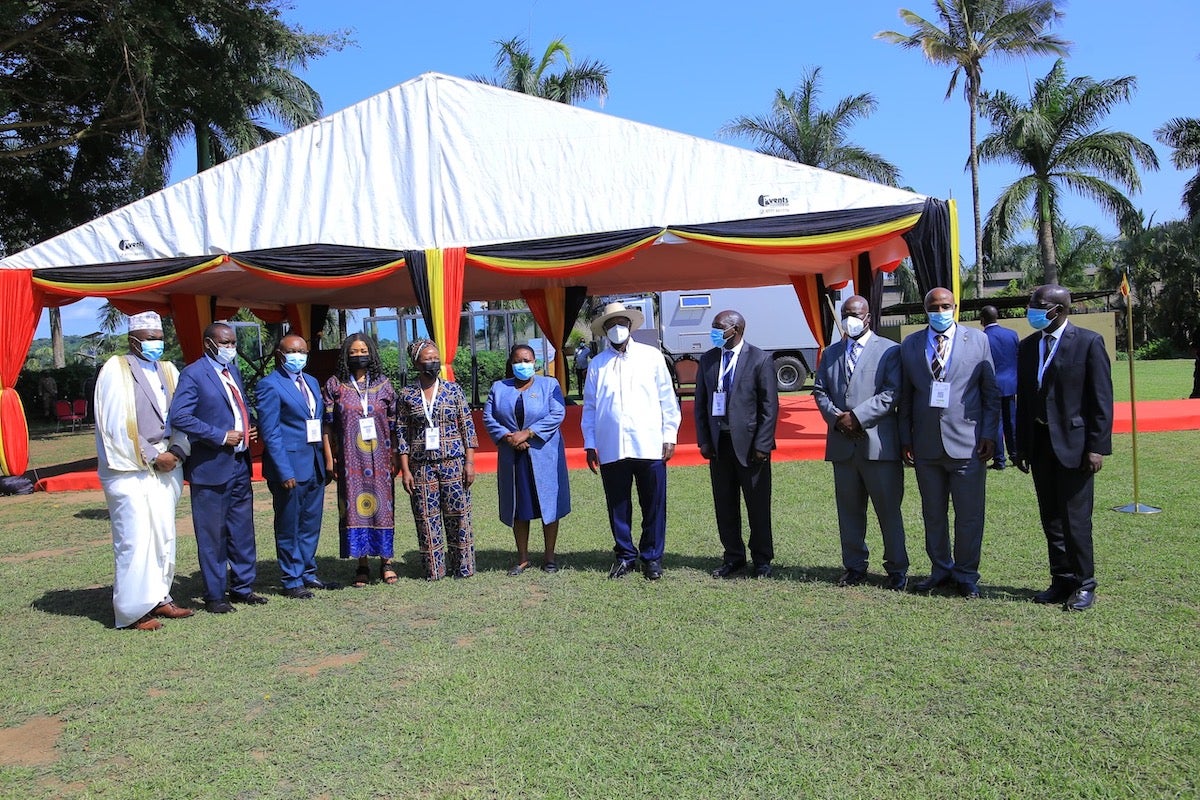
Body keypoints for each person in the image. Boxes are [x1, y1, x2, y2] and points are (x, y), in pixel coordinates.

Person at [1013, 285, 1113, 612]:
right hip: (1040, 444)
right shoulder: (1028, 347)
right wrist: (1021, 445)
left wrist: (1096, 447)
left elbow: (1101, 401)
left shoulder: (1087, 343)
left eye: (1039, 305)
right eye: (1031, 304)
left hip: (1075, 445)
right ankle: (1061, 579)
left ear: (1060, 309)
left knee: (1075, 519)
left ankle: (1084, 584)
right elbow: (1025, 401)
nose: (1032, 310)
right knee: (1051, 518)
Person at [94, 311, 193, 631]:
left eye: (159, 337)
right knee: (134, 539)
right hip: (129, 469)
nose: (156, 343)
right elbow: (114, 424)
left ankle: (159, 597)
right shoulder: (115, 369)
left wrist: (177, 450)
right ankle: (132, 610)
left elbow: (184, 414)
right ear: (132, 340)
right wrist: (153, 456)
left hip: (168, 465)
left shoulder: (168, 369)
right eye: (149, 338)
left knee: (163, 534)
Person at [898, 287, 999, 599]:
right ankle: (940, 569)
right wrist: (906, 439)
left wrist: (989, 434)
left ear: (955, 307)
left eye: (945, 306)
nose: (939, 311)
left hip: (968, 444)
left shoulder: (978, 340)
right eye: (933, 307)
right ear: (925, 310)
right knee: (933, 513)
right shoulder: (911, 344)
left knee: (969, 515)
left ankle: (967, 574)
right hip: (926, 445)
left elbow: (990, 392)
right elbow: (906, 397)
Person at [168, 322, 267, 613]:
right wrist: (220, 435)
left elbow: (238, 407)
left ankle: (242, 587)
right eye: (225, 343)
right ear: (209, 344)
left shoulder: (231, 371)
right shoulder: (194, 374)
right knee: (213, 534)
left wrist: (248, 428)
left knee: (242, 530)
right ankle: (214, 595)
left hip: (239, 463)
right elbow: (180, 416)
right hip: (210, 467)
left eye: (233, 343)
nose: (231, 348)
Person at [813, 295, 908, 590]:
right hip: (843, 446)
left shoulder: (890, 351)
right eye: (845, 314)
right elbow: (819, 390)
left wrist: (857, 416)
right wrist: (838, 418)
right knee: (849, 511)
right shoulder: (830, 353)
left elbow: (892, 392)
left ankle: (897, 568)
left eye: (855, 313)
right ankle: (854, 566)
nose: (850, 318)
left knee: (888, 510)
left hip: (879, 446)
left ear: (868, 317)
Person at [582, 302, 681, 580]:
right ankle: (625, 556)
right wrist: (590, 442)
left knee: (653, 504)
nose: (617, 329)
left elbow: (667, 399)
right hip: (612, 445)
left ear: (630, 325)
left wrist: (669, 434)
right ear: (604, 330)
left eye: (621, 323)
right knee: (618, 504)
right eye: (611, 325)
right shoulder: (597, 365)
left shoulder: (651, 356)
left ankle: (652, 557)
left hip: (649, 443)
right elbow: (590, 407)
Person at [694, 309, 779, 579]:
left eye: (719, 328)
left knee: (757, 506)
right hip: (720, 445)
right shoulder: (708, 360)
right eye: (713, 327)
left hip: (752, 446)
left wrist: (762, 445)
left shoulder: (760, 359)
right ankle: (733, 557)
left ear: (736, 330)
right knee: (725, 505)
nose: (714, 332)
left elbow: (769, 407)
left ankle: (762, 559)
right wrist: (705, 440)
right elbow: (700, 405)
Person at [257, 334, 339, 599]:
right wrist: (283, 470)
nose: (299, 356)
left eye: (303, 351)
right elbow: (270, 432)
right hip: (290, 468)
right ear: (280, 355)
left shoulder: (313, 382)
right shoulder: (270, 385)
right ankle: (291, 579)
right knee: (289, 524)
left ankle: (307, 572)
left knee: (310, 522)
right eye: (293, 351)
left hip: (313, 464)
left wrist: (326, 461)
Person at [483, 344, 571, 574]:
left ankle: (549, 557)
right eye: (519, 360)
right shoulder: (498, 388)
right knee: (519, 507)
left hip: (544, 455)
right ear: (511, 364)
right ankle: (522, 557)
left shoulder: (549, 385)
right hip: (513, 456)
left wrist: (529, 433)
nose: (524, 364)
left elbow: (557, 413)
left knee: (548, 504)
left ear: (535, 362)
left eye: (528, 360)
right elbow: (489, 416)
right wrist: (508, 436)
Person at [396, 339, 478, 580]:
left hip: (453, 461)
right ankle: (435, 570)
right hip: (421, 466)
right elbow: (401, 433)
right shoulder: (407, 395)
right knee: (426, 516)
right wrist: (405, 469)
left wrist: (469, 463)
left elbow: (468, 428)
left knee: (458, 515)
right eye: (427, 360)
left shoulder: (453, 390)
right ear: (416, 363)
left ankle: (463, 567)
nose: (432, 363)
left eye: (435, 358)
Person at [322, 334, 399, 587]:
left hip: (381, 459)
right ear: (346, 355)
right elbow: (328, 426)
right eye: (353, 352)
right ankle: (362, 564)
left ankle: (386, 562)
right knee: (356, 509)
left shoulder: (384, 385)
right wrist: (329, 458)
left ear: (372, 353)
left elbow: (394, 423)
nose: (358, 355)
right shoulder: (335, 385)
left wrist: (396, 455)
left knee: (384, 510)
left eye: (363, 350)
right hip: (350, 461)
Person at [980, 305, 1019, 470]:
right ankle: (1016, 455)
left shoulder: (982, 338)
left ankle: (999, 459)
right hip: (1010, 383)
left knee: (996, 423)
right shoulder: (1012, 334)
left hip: (992, 386)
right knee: (1011, 421)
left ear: (982, 319)